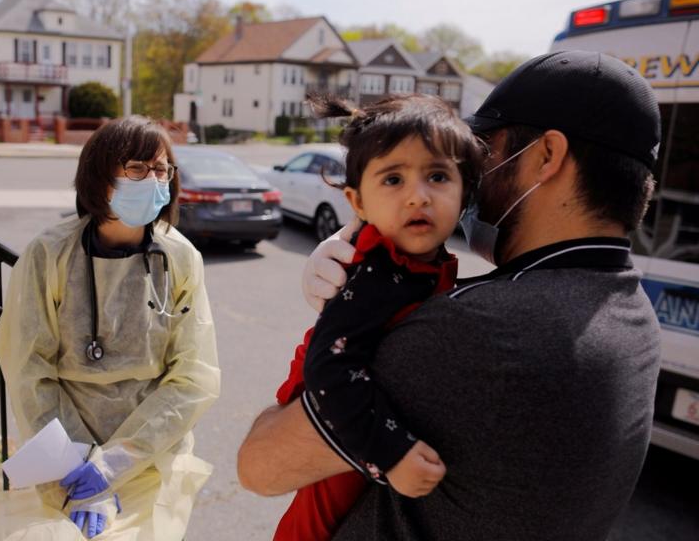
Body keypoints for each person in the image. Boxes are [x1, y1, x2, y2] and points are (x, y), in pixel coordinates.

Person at [237, 50, 663, 541]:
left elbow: (261, 465)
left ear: (546, 156)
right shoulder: (632, 314)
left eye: (484, 152)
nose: (472, 178)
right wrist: (366, 248)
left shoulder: (482, 331)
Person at [0, 116, 220, 541]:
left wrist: (114, 463)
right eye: (136, 168)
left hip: (149, 457)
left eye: (161, 169)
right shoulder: (49, 254)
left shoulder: (180, 258)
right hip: (65, 459)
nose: (152, 180)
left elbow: (192, 377)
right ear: (100, 174)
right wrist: (78, 467)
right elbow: (29, 370)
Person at [272, 94, 483, 541]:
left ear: (465, 192)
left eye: (438, 176)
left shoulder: (421, 263)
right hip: (336, 438)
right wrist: (392, 454)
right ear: (357, 202)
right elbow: (328, 369)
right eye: (393, 179)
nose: (417, 197)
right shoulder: (376, 270)